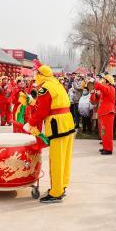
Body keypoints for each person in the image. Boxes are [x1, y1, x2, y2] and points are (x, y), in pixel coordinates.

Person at [24, 65, 75, 203]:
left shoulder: (45, 88)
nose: (35, 76)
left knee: (56, 160)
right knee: (65, 158)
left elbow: (42, 111)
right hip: (67, 123)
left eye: (36, 74)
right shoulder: (56, 83)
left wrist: (31, 123)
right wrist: (33, 102)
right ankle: (62, 186)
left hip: (57, 125)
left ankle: (56, 192)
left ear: (40, 75)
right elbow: (53, 104)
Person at [95, 74, 116, 155]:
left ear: (108, 82)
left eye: (104, 80)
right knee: (104, 132)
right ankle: (105, 147)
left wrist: (96, 82)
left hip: (108, 112)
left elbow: (102, 88)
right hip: (105, 113)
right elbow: (99, 95)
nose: (103, 81)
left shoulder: (111, 88)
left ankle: (109, 149)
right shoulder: (107, 88)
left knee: (107, 132)